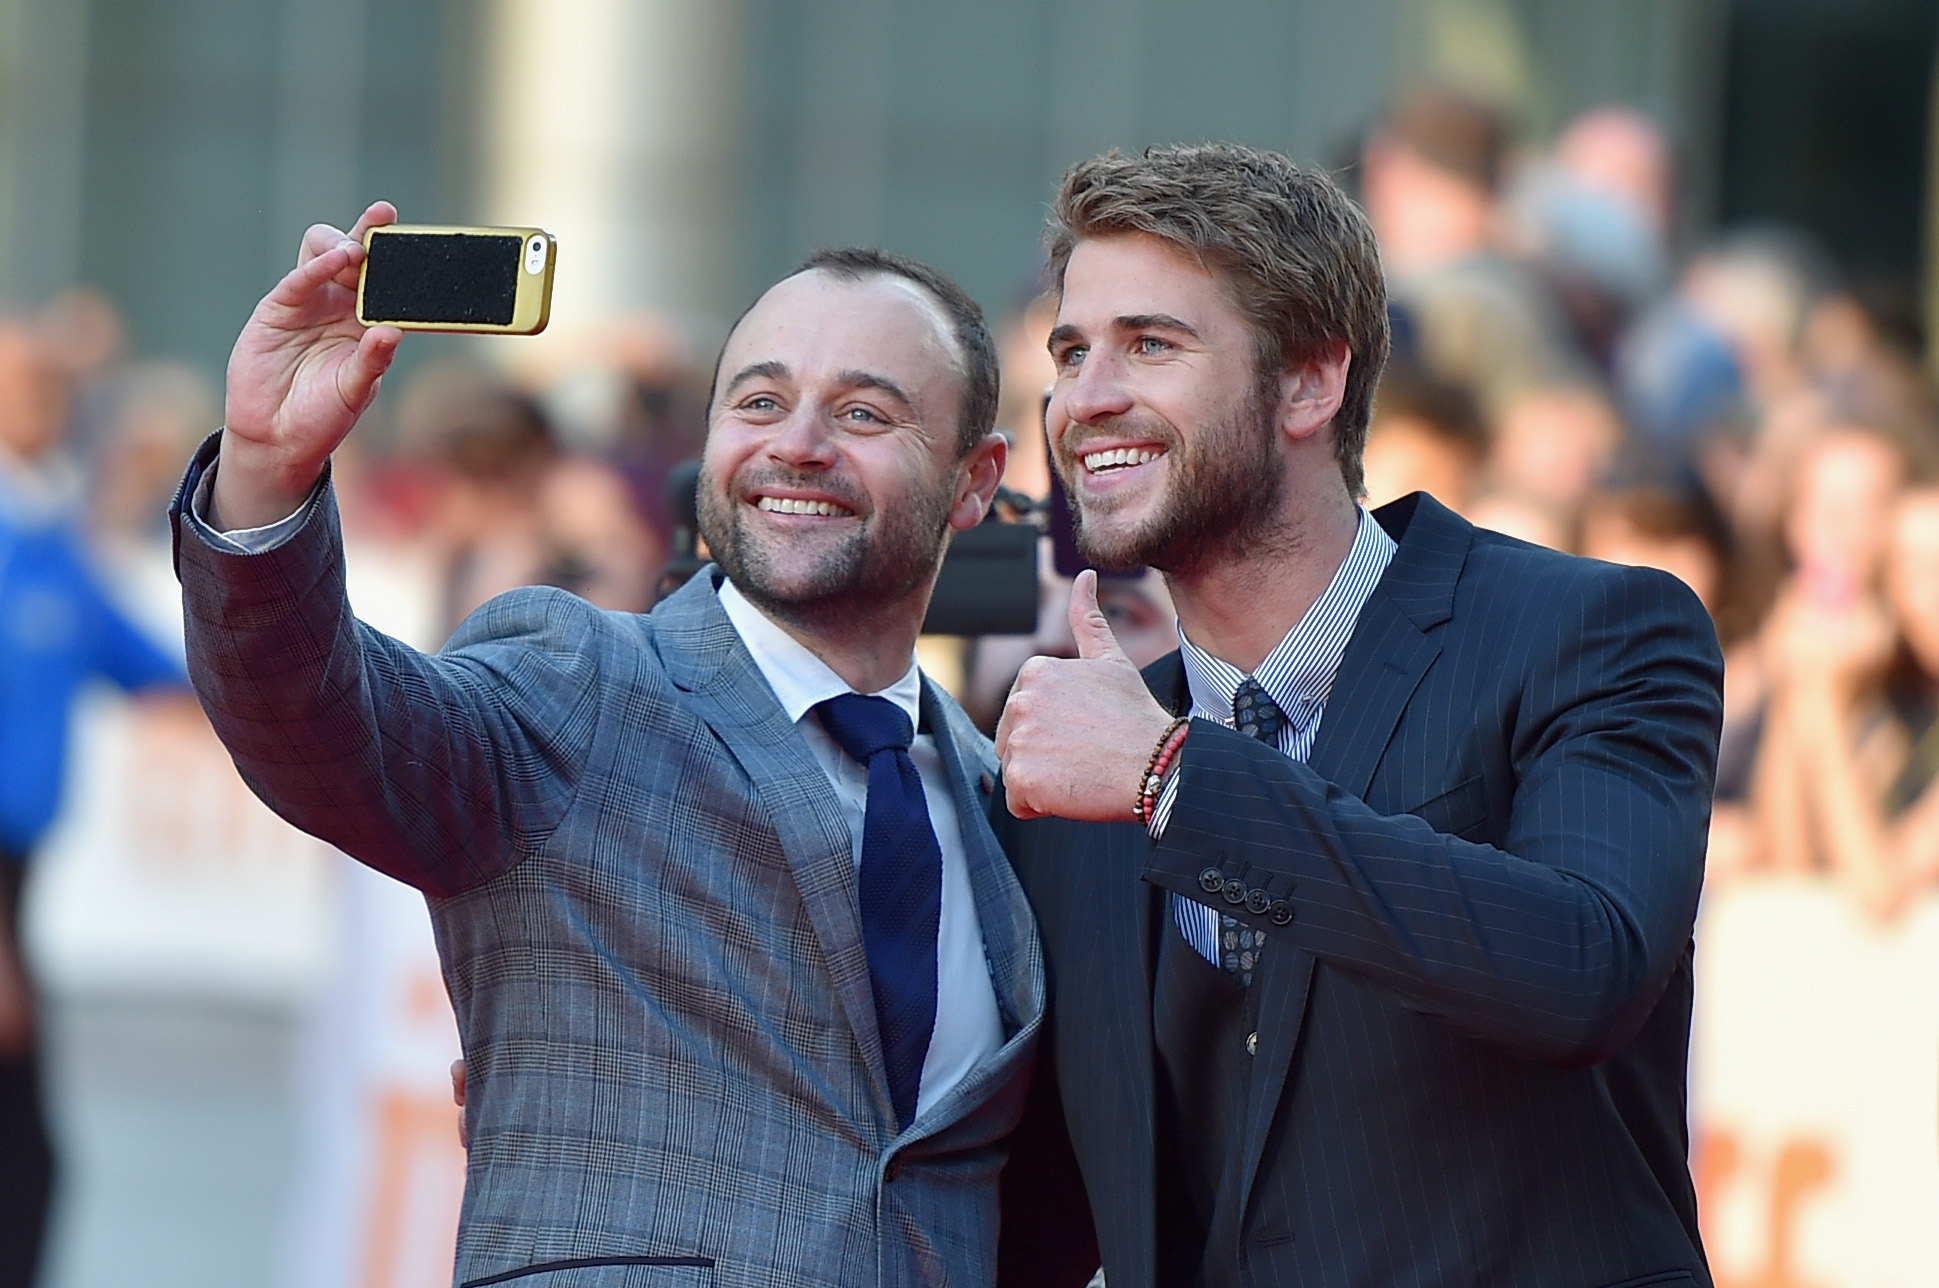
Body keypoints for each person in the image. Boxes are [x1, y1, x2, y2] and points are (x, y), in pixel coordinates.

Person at [171, 202, 1041, 1287]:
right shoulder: (576, 685)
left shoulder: (1000, 799)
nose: (796, 443)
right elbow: (313, 723)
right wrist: (264, 471)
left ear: (974, 478)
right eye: (759, 399)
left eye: (863, 413)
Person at [992, 144, 1724, 1287]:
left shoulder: (1590, 633)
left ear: (1307, 383)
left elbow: (1585, 962)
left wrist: (1178, 784)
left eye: (1150, 343)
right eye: (1070, 351)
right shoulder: (1079, 765)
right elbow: (1033, 1212)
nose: (1086, 397)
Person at [0, 321, 186, 1288]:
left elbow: (145, 664)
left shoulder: (41, 535)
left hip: (20, 884)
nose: (44, 400)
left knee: (30, 1159)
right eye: (23, 382)